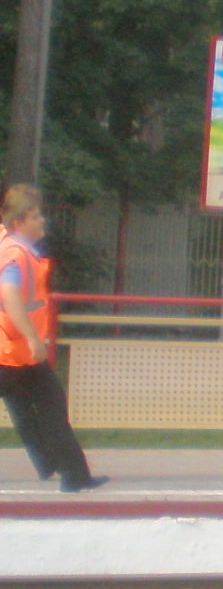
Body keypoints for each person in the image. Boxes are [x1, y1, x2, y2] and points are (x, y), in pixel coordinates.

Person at [0, 185, 104, 491]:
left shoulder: (9, 244)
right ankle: (72, 475)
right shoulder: (16, 254)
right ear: (19, 222)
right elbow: (10, 296)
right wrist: (33, 338)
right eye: (35, 216)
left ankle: (65, 471)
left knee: (37, 408)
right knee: (52, 407)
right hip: (15, 352)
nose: (42, 220)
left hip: (12, 352)